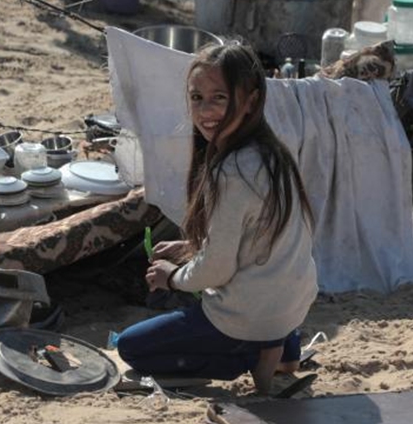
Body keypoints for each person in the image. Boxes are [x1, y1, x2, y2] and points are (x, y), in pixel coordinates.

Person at [116, 43, 317, 394]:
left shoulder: (233, 169)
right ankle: (281, 349)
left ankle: (248, 355)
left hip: (248, 315)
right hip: (291, 304)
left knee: (130, 347)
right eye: (197, 98)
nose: (205, 111)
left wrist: (173, 278)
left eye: (219, 98)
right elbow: (256, 239)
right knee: (263, 312)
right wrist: (191, 246)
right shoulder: (274, 153)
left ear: (251, 100)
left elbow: (219, 269)